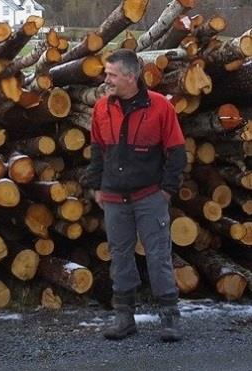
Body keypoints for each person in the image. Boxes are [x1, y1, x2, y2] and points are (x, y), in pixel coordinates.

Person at [84, 49, 187, 342]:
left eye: (112, 75)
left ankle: (170, 318)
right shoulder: (102, 108)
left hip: (150, 196)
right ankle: (124, 318)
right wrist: (96, 186)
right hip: (114, 198)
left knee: (158, 256)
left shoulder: (160, 107)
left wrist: (166, 191)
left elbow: (177, 153)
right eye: (106, 74)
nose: (106, 80)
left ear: (131, 76)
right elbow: (97, 152)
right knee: (120, 258)